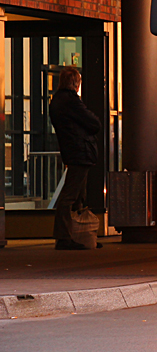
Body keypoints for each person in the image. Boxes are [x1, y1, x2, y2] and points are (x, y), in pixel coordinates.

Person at [49, 66, 101, 250]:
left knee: (78, 194)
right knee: (71, 194)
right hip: (80, 151)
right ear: (75, 83)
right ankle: (65, 236)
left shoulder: (57, 101)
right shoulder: (71, 101)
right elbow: (94, 123)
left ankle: (80, 234)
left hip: (72, 151)